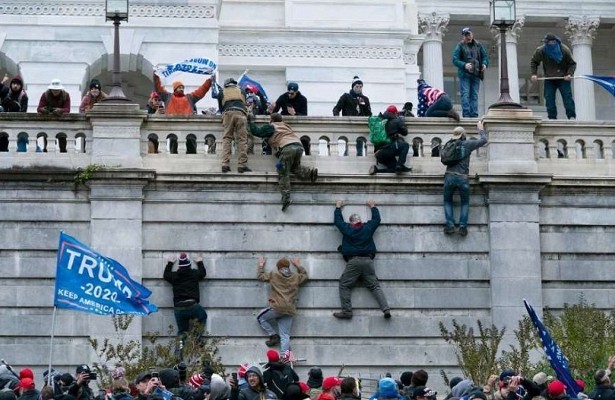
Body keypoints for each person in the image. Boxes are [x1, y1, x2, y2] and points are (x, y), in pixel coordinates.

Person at [332, 199, 391, 319]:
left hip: (354, 261)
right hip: (368, 261)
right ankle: (386, 309)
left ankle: (347, 311)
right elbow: (377, 220)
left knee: (344, 285)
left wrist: (338, 207)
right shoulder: (367, 228)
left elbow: (338, 222)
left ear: (351, 222)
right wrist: (373, 206)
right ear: (360, 221)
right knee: (374, 286)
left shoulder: (347, 229)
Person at [248, 112, 318, 211]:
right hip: (298, 147)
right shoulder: (286, 126)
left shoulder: (272, 126)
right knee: (293, 167)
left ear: (271, 120)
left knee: (282, 170)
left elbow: (257, 132)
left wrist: (251, 121)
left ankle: (286, 197)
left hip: (287, 149)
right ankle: (310, 173)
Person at [442, 120, 488, 236]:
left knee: (448, 201)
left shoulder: (448, 145)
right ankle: (462, 227)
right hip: (462, 177)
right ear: (463, 135)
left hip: (449, 176)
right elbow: (484, 140)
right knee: (465, 202)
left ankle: (450, 225)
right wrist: (480, 129)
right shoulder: (467, 144)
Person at [256, 256, 308, 351]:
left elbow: (261, 276)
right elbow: (305, 276)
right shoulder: (296, 276)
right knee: (285, 335)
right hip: (290, 309)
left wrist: (261, 265)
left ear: (278, 267)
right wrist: (298, 265)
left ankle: (273, 335)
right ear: (288, 267)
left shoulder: (274, 274)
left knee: (260, 317)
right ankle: (285, 360)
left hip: (277, 307)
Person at [530, 33, 577, 120]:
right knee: (549, 98)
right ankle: (552, 118)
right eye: (545, 43)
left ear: (554, 42)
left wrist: (569, 74)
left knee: (567, 97)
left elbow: (572, 64)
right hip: (549, 78)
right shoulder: (541, 50)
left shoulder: (564, 50)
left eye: (548, 42)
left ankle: (571, 116)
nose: (546, 44)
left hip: (563, 78)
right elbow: (534, 62)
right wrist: (534, 74)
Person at [163, 252, 208, 338]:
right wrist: (200, 262)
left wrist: (170, 263)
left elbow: (166, 275)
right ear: (189, 266)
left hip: (179, 307)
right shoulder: (194, 274)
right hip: (192, 306)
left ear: (179, 267)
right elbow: (203, 273)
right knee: (203, 316)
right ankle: (196, 339)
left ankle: (180, 350)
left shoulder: (175, 276)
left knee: (182, 332)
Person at [212, 76, 251, 173]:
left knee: (227, 138)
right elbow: (244, 103)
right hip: (240, 113)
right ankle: (242, 165)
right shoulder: (241, 90)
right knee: (242, 139)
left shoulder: (222, 91)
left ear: (226, 84)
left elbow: (221, 107)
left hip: (228, 113)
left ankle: (225, 164)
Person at [452, 27, 489, 118]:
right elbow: (455, 59)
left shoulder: (478, 45)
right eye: (466, 35)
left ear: (472, 35)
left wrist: (484, 64)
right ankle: (466, 114)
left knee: (474, 95)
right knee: (465, 94)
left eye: (469, 34)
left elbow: (485, 57)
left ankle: (474, 115)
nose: (468, 37)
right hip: (465, 74)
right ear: (463, 37)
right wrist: (464, 65)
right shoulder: (460, 46)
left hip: (476, 74)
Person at [369, 105, 411, 175]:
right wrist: (401, 121)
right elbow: (405, 132)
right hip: (388, 149)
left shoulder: (380, 121)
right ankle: (400, 164)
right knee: (405, 145)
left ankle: (376, 170)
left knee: (394, 169)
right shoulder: (396, 120)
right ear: (395, 113)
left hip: (378, 153)